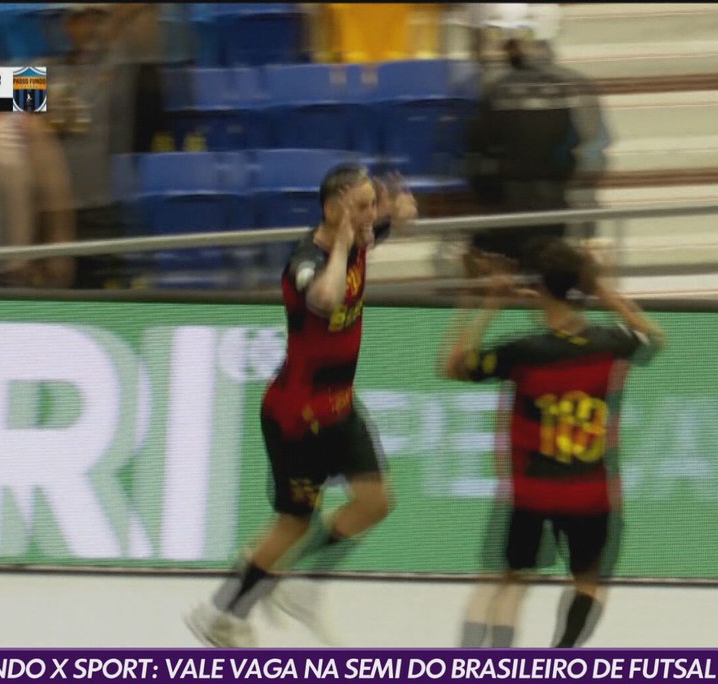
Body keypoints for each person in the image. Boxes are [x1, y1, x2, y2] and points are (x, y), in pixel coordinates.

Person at [186, 164, 417, 648]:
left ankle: (303, 588)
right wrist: (343, 244)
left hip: (340, 407)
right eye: (361, 206)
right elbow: (326, 298)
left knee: (376, 501)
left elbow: (380, 227)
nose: (370, 215)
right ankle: (220, 613)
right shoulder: (304, 262)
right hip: (297, 416)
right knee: (293, 523)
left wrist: (394, 211)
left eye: (372, 204)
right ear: (333, 211)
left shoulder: (360, 235)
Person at [440, 242, 665, 648]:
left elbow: (451, 365)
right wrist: (603, 289)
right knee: (589, 583)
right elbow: (655, 340)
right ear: (580, 286)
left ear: (538, 289)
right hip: (592, 494)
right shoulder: (613, 344)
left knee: (509, 582)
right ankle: (561, 661)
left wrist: (486, 303)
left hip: (534, 494)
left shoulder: (523, 351)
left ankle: (482, 679)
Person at [465, 37, 609, 277]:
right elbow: (575, 143)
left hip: (509, 203)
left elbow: (478, 143)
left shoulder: (493, 88)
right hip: (552, 202)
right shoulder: (565, 86)